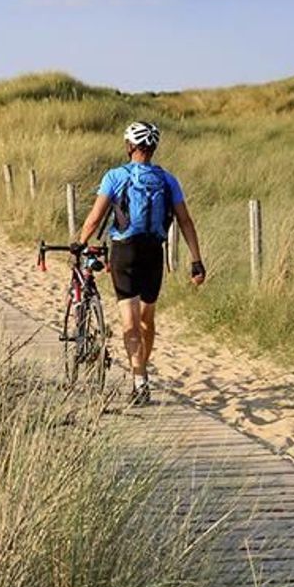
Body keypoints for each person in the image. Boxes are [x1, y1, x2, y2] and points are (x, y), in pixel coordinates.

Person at [76, 121, 205, 406]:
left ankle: (140, 381)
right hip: (154, 253)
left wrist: (81, 241)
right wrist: (196, 261)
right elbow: (185, 221)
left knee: (130, 323)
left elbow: (95, 218)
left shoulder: (115, 176)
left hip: (125, 253)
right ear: (153, 148)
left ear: (130, 146)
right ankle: (141, 375)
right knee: (147, 320)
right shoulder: (168, 179)